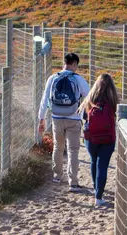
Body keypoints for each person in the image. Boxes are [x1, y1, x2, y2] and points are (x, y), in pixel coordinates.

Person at [38, 53, 90, 192]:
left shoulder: (53, 78)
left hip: (56, 118)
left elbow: (44, 100)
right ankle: (73, 182)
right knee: (73, 151)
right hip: (74, 119)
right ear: (74, 64)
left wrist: (41, 118)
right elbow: (89, 96)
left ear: (64, 62)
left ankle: (57, 175)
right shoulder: (78, 79)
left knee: (58, 147)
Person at [79, 74, 119, 206]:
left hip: (91, 138)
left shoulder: (90, 99)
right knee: (103, 166)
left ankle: (96, 187)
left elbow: (84, 116)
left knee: (94, 161)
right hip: (108, 138)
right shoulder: (113, 101)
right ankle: (98, 196)